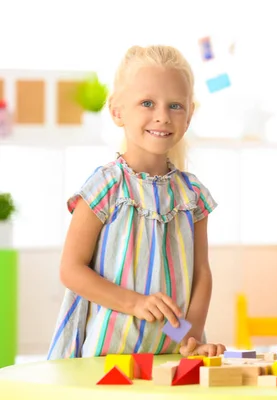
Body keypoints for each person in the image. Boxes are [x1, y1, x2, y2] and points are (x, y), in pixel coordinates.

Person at [47, 45, 225, 359]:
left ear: (189, 115)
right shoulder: (106, 187)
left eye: (175, 105)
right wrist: (136, 303)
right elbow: (71, 270)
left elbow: (201, 274)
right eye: (147, 103)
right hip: (107, 354)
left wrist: (189, 339)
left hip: (170, 352)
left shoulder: (192, 195)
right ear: (117, 111)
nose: (162, 116)